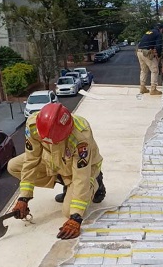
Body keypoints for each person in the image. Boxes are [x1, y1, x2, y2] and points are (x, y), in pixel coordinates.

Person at [7, 103, 106, 240]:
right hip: (56, 162)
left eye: (53, 140)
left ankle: (96, 183)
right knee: (13, 166)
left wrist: (76, 218)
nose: (49, 142)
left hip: (83, 170)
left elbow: (81, 177)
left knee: (68, 212)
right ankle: (65, 182)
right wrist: (24, 197)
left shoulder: (81, 136)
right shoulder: (34, 125)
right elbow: (31, 160)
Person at [136, 23, 163, 95]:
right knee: (155, 70)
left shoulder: (149, 32)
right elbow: (158, 46)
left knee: (144, 70)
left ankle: (142, 88)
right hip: (146, 53)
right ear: (161, 29)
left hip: (139, 51)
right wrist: (158, 55)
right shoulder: (158, 34)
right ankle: (153, 89)